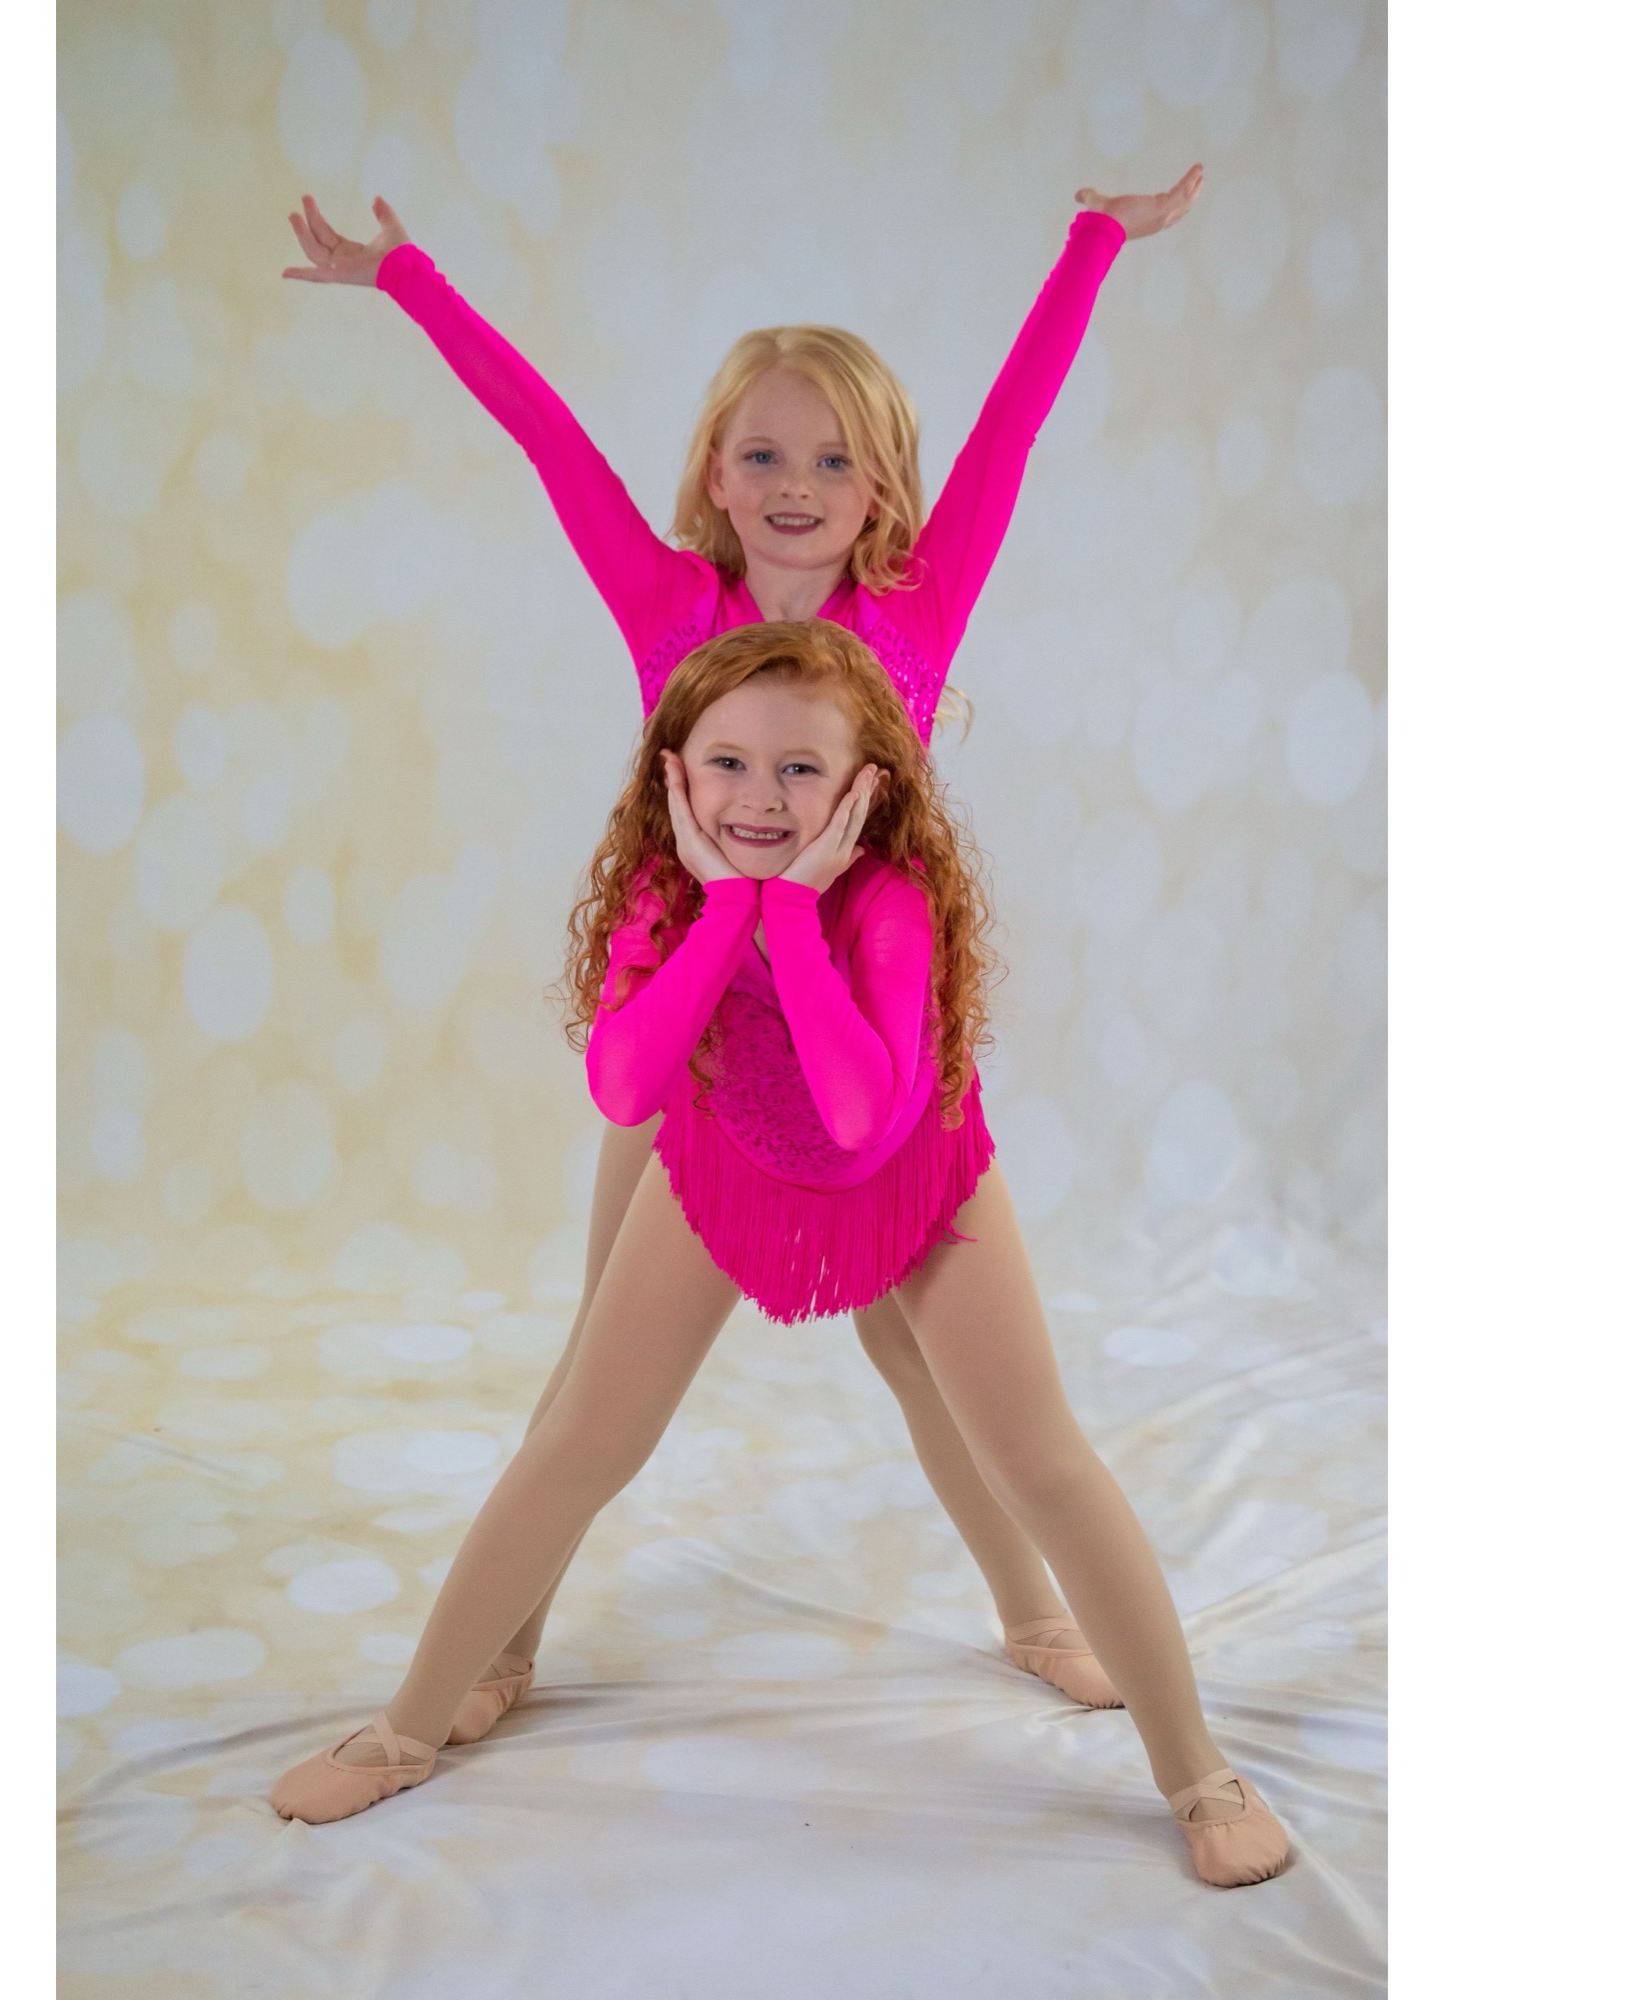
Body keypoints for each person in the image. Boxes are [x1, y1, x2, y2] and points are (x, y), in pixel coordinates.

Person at [279, 165, 1202, 1734]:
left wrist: (1093, 243)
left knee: (924, 1362)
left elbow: (1014, 430)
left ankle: (1034, 1612)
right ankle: (502, 1651)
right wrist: (410, 282)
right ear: (713, 472)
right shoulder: (665, 597)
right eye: (763, 452)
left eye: (834, 459)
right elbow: (549, 441)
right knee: (598, 1373)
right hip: (694, 1018)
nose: (795, 483)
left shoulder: (917, 611)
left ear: (881, 488)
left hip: (867, 1039)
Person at [271, 622, 1288, 1888]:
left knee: (1034, 1455)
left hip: (915, 1176)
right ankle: (403, 1728)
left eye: (801, 768)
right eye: (728, 763)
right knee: (584, 1435)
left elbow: (859, 1113)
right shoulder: (666, 894)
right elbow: (624, 1082)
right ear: (673, 772)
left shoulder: (890, 899)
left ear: (865, 787)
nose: (760, 798)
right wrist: (722, 910)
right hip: (728, 1165)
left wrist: (791, 912)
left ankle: (1194, 1767)